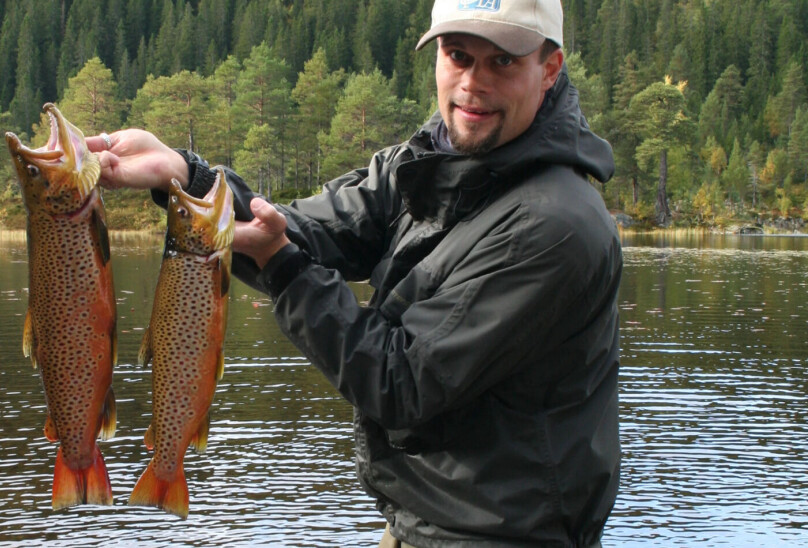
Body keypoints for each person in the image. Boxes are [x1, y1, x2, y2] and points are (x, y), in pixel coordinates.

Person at [88, 0, 621, 544]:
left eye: (502, 62)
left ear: (549, 68)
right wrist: (187, 178)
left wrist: (282, 266)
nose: (471, 83)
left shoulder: (555, 227)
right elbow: (302, 231)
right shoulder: (428, 164)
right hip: (421, 525)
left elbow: (402, 381)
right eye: (457, 55)